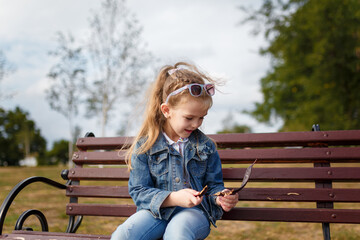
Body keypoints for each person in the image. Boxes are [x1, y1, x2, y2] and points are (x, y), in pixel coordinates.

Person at [111, 62, 238, 240]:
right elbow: (139, 191)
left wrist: (220, 197)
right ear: (167, 110)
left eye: (201, 118)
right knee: (123, 235)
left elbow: (213, 186)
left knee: (177, 233)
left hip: (194, 213)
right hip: (156, 213)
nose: (196, 124)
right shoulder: (145, 147)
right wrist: (173, 198)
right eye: (189, 118)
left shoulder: (206, 147)